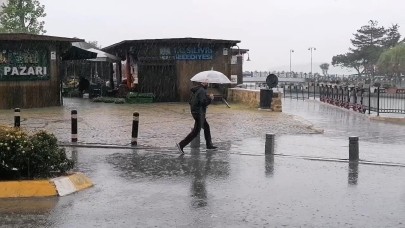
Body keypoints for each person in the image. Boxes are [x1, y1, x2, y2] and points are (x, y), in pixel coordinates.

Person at [176, 80, 217, 154]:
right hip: (199, 114)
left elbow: (191, 101)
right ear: (202, 83)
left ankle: (209, 145)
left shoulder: (197, 90)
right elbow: (203, 103)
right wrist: (210, 99)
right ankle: (181, 144)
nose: (207, 84)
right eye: (206, 82)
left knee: (206, 127)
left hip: (196, 112)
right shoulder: (202, 91)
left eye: (207, 82)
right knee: (195, 132)